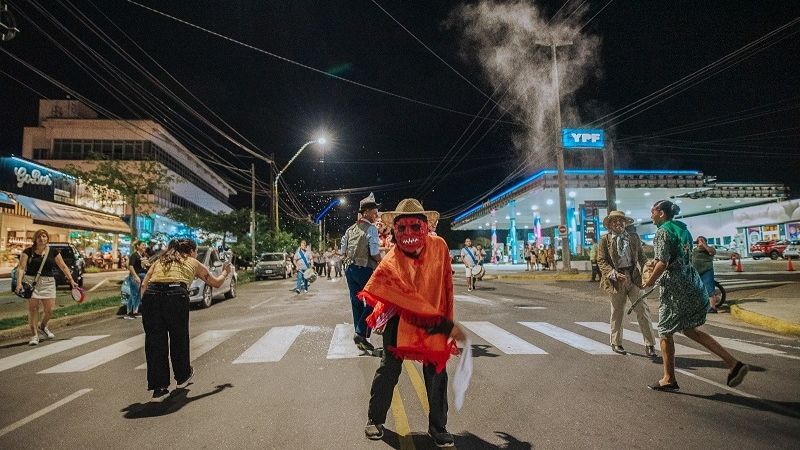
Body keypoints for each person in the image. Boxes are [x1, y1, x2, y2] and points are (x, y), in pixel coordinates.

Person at [359, 198, 466, 447]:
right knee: (389, 367)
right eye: (402, 228)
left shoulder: (439, 247)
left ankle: (438, 427)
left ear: (425, 226)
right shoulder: (393, 255)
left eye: (414, 227)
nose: (408, 233)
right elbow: (380, 284)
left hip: (430, 317)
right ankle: (375, 419)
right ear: (396, 230)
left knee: (436, 369)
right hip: (399, 317)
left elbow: (446, 287)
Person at [643, 200, 749, 391]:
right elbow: (675, 258)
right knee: (690, 330)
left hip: (676, 290)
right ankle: (733, 363)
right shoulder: (682, 229)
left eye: (652, 211)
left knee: (665, 331)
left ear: (661, 213)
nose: (651, 215)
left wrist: (649, 281)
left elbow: (663, 263)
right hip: (691, 284)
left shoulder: (662, 232)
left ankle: (669, 378)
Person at [140, 238, 231, 400]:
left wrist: (146, 306)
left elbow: (144, 284)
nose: (195, 254)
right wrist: (225, 271)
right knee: (178, 338)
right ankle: (182, 376)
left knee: (154, 343)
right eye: (195, 251)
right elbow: (216, 283)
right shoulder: (192, 262)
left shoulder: (161, 260)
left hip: (151, 296)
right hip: (176, 295)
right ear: (190, 251)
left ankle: (159, 388)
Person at [597, 211, 657, 357]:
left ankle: (650, 344)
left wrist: (646, 268)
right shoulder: (605, 240)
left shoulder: (633, 237)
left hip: (633, 277)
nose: (618, 223)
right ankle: (616, 342)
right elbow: (601, 260)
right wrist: (613, 274)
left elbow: (642, 257)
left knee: (643, 310)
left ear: (625, 223)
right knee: (617, 312)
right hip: (615, 280)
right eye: (615, 221)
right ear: (610, 225)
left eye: (621, 221)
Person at [15, 229, 79, 345]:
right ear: (35, 238)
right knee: (33, 309)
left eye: (44, 236)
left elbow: (63, 266)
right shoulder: (28, 251)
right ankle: (34, 335)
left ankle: (43, 326)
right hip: (31, 282)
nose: (42, 238)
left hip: (48, 282)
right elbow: (21, 268)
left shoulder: (53, 252)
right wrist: (19, 283)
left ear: (47, 238)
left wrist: (71, 280)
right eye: (39, 236)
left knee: (49, 310)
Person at [341, 192, 383, 352]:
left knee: (356, 302)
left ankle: (361, 337)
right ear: (366, 212)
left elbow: (343, 249)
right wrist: (382, 261)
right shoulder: (371, 229)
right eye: (374, 212)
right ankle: (360, 333)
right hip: (364, 269)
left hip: (350, 270)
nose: (376, 215)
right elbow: (373, 251)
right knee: (375, 300)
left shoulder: (350, 229)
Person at [692, 236, 718, 313]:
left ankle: (713, 307)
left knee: (709, 289)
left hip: (707, 271)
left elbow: (712, 252)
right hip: (696, 272)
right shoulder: (694, 250)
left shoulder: (709, 249)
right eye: (698, 241)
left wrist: (704, 245)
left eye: (702, 240)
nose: (699, 242)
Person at [124, 240, 148, 319]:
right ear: (138, 246)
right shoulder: (134, 255)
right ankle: (132, 312)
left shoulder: (142, 255)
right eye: (142, 245)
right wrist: (135, 276)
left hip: (141, 277)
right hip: (135, 276)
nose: (144, 246)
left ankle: (132, 312)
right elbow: (131, 266)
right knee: (134, 294)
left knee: (136, 294)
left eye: (144, 245)